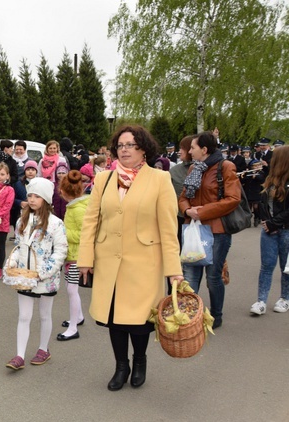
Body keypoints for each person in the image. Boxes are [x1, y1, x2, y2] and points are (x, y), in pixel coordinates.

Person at [78, 125, 183, 391]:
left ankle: (139, 360)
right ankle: (120, 365)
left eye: (131, 145)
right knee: (114, 318)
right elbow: (91, 221)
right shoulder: (103, 180)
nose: (124, 150)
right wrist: (85, 260)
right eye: (120, 145)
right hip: (109, 262)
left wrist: (174, 269)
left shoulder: (159, 179)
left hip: (144, 264)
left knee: (138, 322)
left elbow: (169, 228)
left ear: (144, 149)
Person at [179, 131, 241, 330]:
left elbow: (233, 199)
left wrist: (202, 212)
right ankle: (189, 315)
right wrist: (187, 209)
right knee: (190, 274)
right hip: (193, 229)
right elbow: (182, 197)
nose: (189, 151)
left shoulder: (225, 167)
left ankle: (216, 315)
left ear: (204, 150)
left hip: (216, 231)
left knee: (213, 276)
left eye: (193, 147)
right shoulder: (193, 169)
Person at [4, 178, 67, 370]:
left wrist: (43, 273)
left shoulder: (56, 224)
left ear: (46, 199)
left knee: (45, 315)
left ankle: (43, 349)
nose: (31, 199)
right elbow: (19, 247)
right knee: (24, 316)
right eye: (30, 195)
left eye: (37, 196)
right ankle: (19, 355)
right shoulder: (21, 220)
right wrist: (12, 262)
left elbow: (60, 251)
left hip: (46, 279)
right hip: (25, 277)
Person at [250, 145, 289, 315]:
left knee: (285, 267)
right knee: (266, 266)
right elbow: (263, 203)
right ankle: (261, 301)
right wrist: (266, 221)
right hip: (269, 230)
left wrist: (274, 223)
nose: (271, 160)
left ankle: (285, 298)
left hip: (286, 230)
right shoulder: (270, 179)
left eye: (275, 157)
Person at [57, 170, 90, 341]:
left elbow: (85, 234)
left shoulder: (77, 210)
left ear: (63, 191)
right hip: (74, 255)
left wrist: (63, 232)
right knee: (71, 288)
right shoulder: (76, 207)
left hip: (77, 256)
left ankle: (73, 328)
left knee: (72, 289)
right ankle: (78, 317)